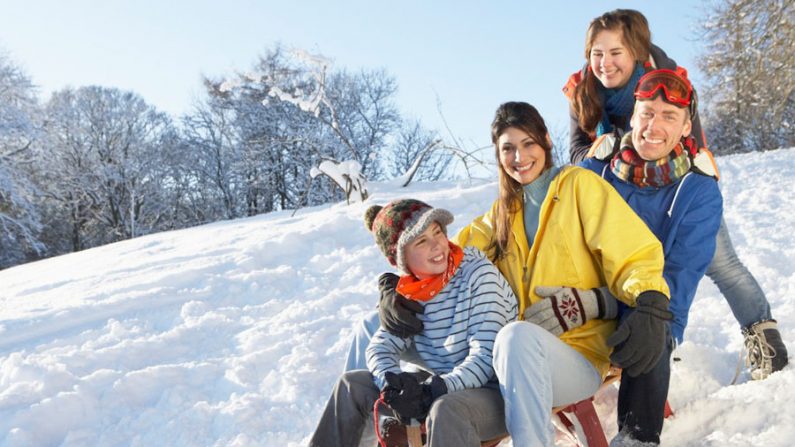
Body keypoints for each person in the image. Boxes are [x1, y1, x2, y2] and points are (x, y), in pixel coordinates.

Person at [352, 102, 673, 446]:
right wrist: (392, 289)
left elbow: (631, 249)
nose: (519, 157)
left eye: (528, 143)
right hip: (506, 363)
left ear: (546, 141)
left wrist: (649, 298)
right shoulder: (503, 213)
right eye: (508, 148)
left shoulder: (580, 186)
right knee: (370, 326)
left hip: (576, 358)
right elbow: (443, 257)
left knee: (514, 336)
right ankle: (370, 431)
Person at [562, 8, 787, 380]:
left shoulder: (666, 80)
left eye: (615, 52)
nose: (605, 63)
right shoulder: (582, 89)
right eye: (596, 54)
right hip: (618, 184)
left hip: (674, 185)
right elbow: (575, 149)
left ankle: (764, 340)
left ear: (634, 50)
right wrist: (600, 153)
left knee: (720, 263)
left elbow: (687, 138)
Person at [529, 68, 723, 445]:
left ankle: (636, 438)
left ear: (686, 128)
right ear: (632, 117)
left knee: (651, 322)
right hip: (571, 301)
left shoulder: (698, 192)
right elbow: (545, 234)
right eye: (647, 112)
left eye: (669, 117)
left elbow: (678, 278)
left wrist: (601, 302)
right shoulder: (596, 170)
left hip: (647, 307)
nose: (654, 125)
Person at [310, 198, 518, 447]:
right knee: (351, 386)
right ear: (401, 259)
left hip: (496, 393)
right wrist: (394, 386)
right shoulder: (410, 293)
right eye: (421, 241)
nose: (437, 245)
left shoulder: (477, 275)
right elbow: (380, 348)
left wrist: (433, 390)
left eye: (438, 232)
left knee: (445, 408)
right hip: (440, 388)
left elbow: (485, 357)